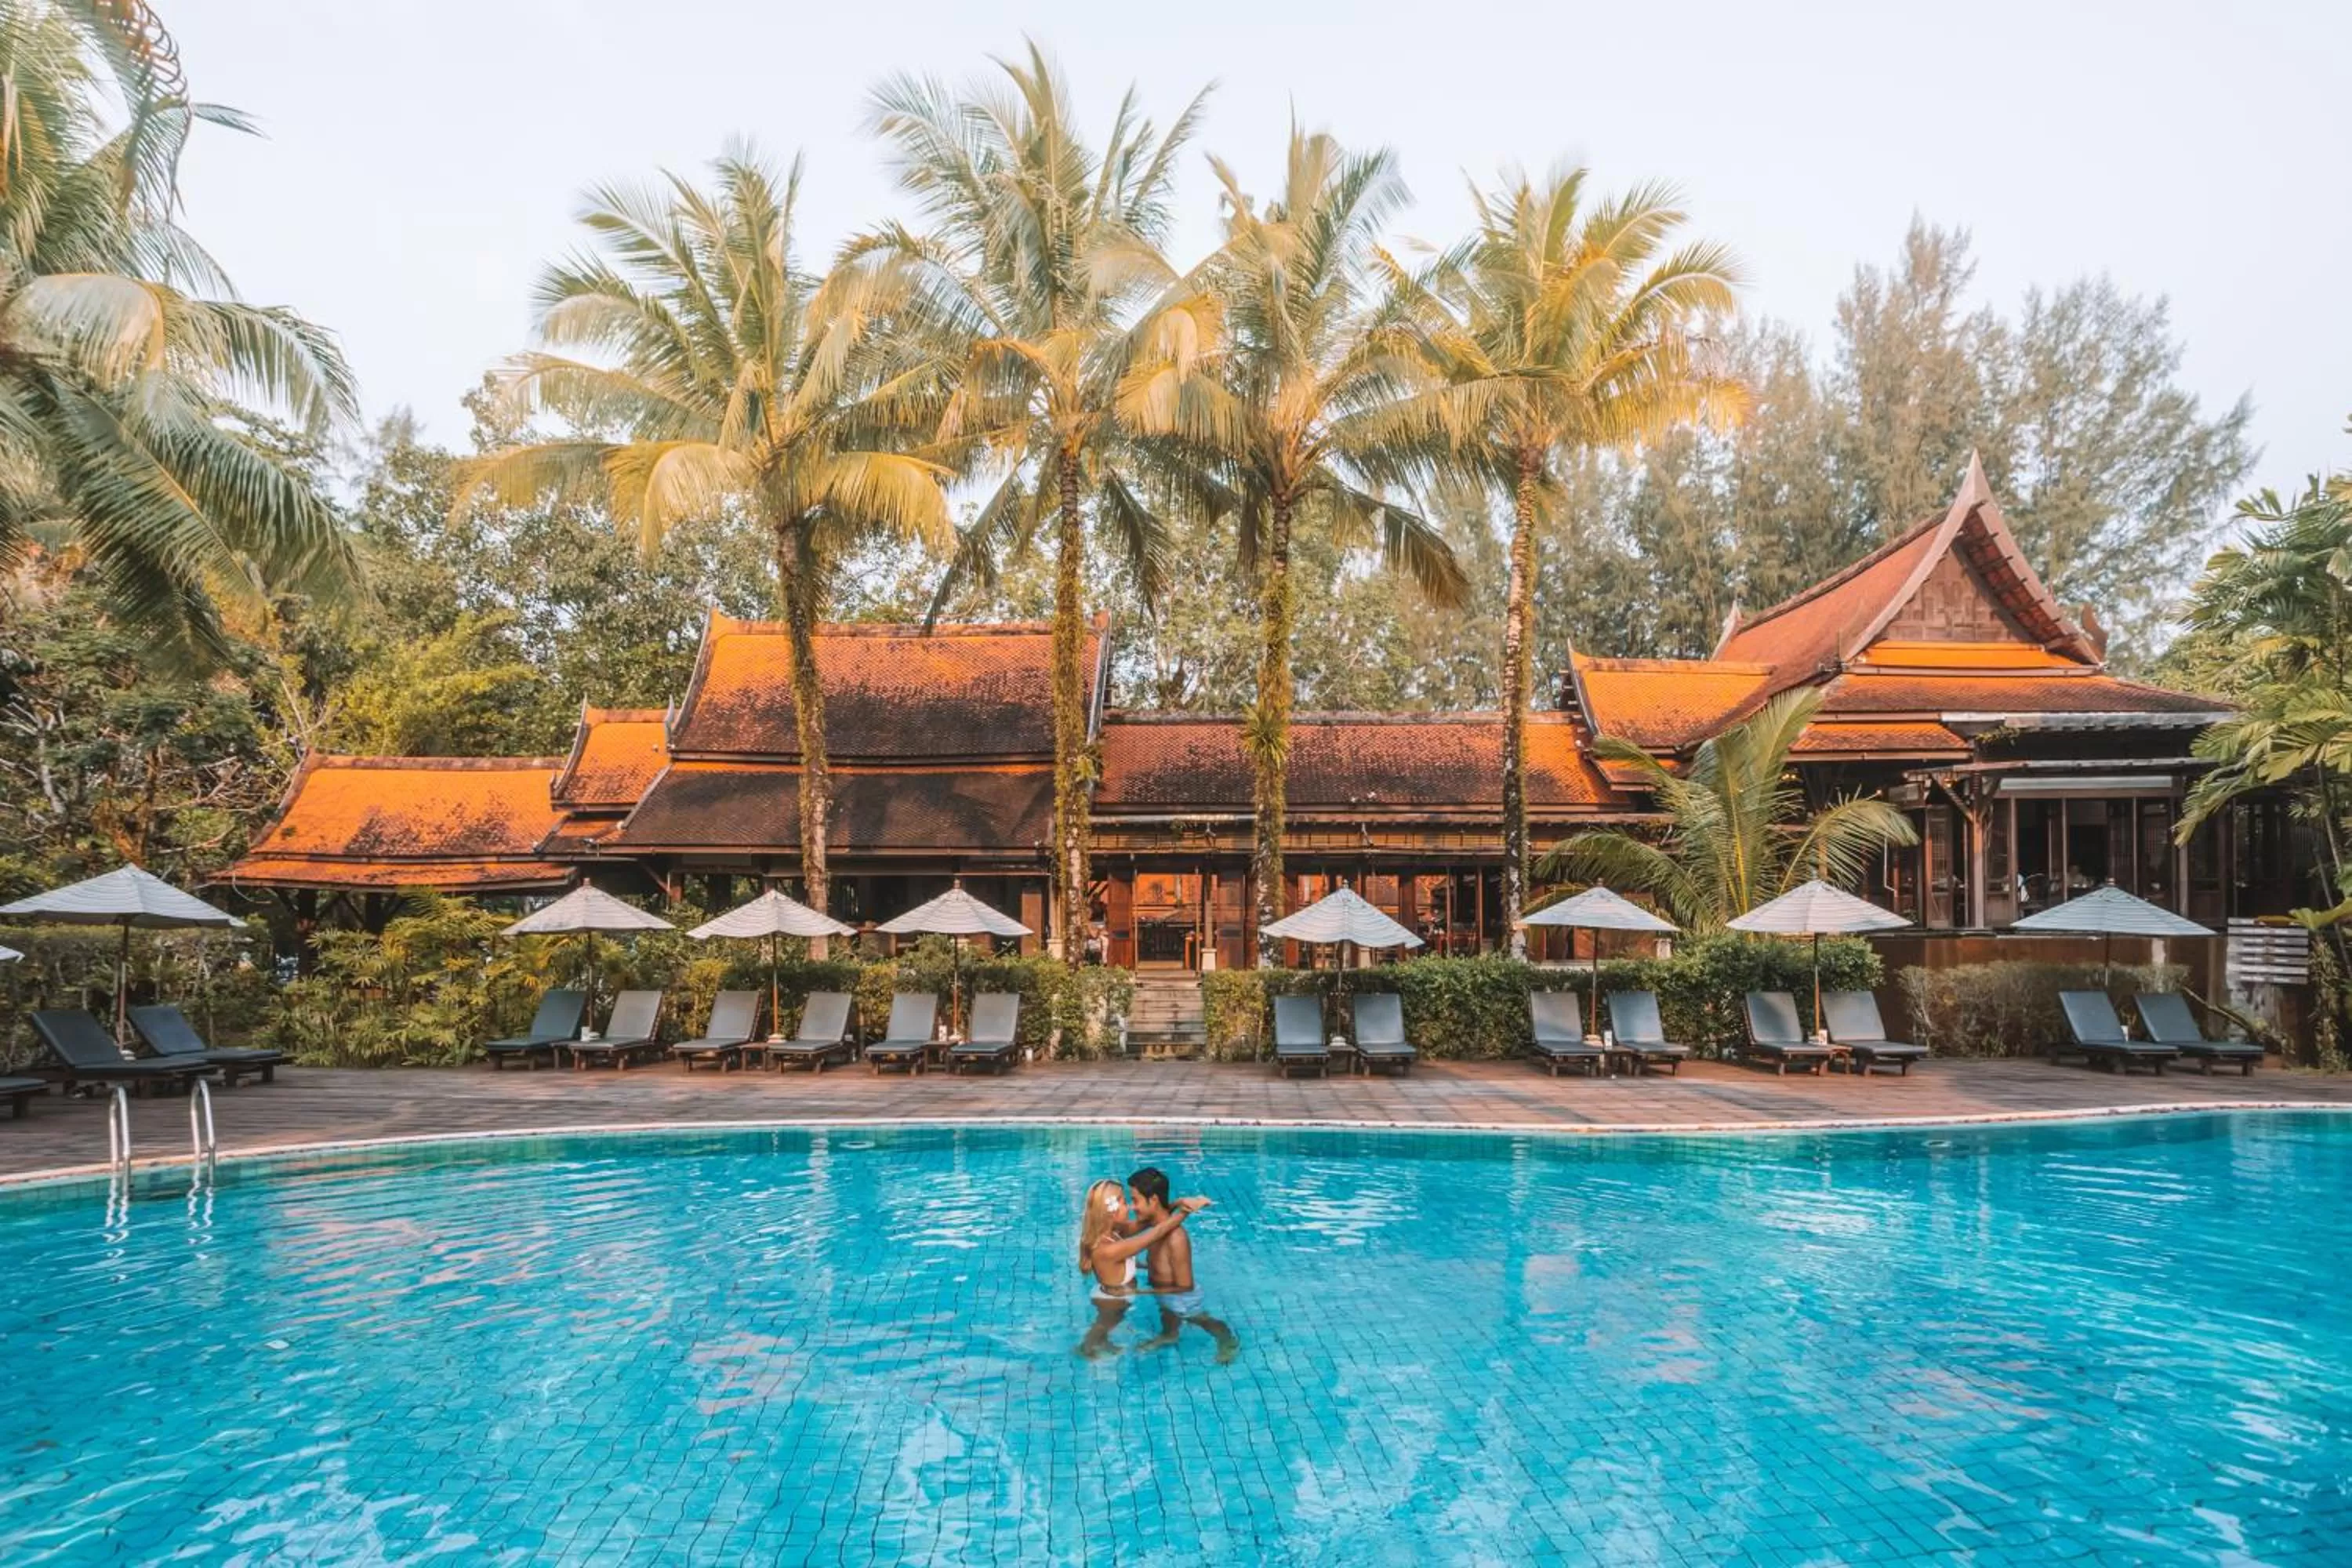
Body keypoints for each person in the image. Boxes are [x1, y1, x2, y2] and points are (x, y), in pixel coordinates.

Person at [1075, 1178, 1206, 1359]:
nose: (1129, 1207)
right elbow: (1156, 1232)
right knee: (1104, 1325)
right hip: (1113, 1300)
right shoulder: (1109, 1249)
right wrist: (1185, 1212)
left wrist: (1176, 1203)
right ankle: (1086, 1349)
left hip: (1114, 1294)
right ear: (1109, 1212)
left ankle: (1102, 1342)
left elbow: (1150, 1221)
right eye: (1122, 1202)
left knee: (1108, 1324)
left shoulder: (1115, 1232)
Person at [1127, 1166, 1240, 1363]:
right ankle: (1170, 1334)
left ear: (1153, 1200)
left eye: (1135, 1200)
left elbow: (1185, 1285)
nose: (1132, 1207)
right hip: (1164, 1292)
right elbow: (1162, 1263)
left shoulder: (1176, 1238)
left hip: (1182, 1298)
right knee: (1167, 1313)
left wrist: (1143, 1293)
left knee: (1202, 1320)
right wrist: (1141, 1266)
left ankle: (1228, 1340)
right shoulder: (1158, 1229)